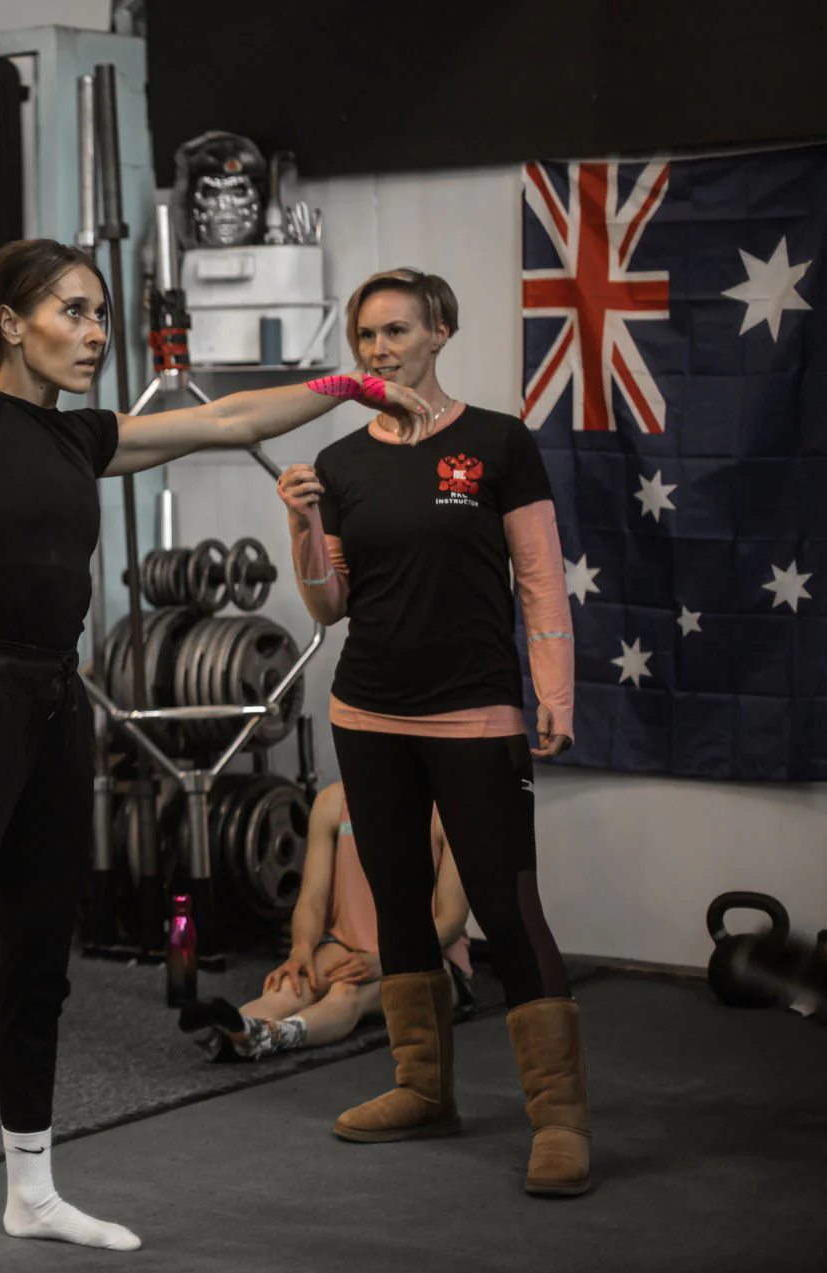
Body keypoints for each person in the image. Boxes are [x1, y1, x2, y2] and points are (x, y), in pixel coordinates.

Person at [0, 23, 434, 1273]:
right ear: (10, 326)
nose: (95, 329)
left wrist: (342, 387)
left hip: (61, 704)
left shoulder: (82, 440)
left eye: (100, 311)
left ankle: (32, 1189)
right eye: (72, 311)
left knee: (38, 961)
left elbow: (222, 421)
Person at [276, 267, 588, 1196]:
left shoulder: (497, 444)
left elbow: (538, 577)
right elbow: (330, 605)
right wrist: (301, 524)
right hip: (367, 710)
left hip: (476, 708)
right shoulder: (339, 464)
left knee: (506, 902)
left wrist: (554, 690)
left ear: (441, 331)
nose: (380, 349)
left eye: (397, 331)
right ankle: (422, 1087)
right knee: (401, 900)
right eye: (367, 335)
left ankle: (561, 1120)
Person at [179, 780, 475, 1061]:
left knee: (346, 991)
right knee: (292, 986)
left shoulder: (446, 809)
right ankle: (236, 1028)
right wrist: (301, 949)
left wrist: (387, 959)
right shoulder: (334, 801)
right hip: (349, 944)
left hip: (427, 956)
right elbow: (311, 899)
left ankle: (270, 1037)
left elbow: (450, 921)